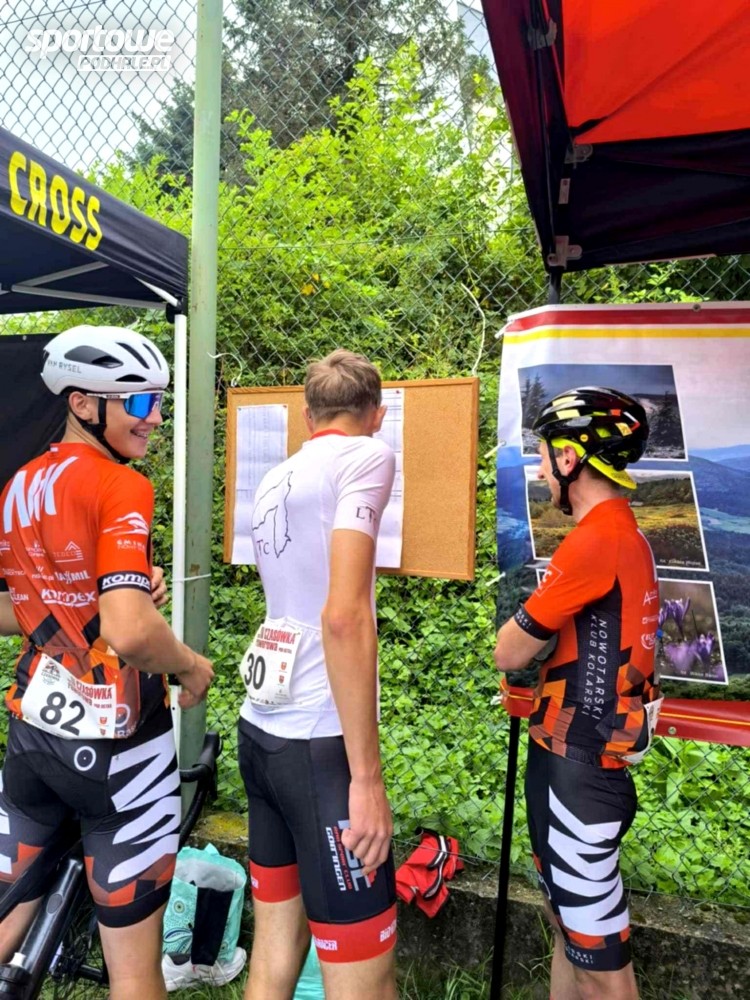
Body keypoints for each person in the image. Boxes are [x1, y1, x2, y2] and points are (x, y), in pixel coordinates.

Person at [0, 325, 213, 1000]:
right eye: (141, 403)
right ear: (84, 404)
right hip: (122, 750)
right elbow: (128, 633)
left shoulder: (19, 486)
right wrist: (189, 666)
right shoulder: (122, 485)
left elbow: (28, 607)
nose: (156, 419)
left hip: (33, 738)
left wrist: (113, 598)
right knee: (134, 974)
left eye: (159, 402)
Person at [239, 349, 398, 1000]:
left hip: (261, 729)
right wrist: (367, 779)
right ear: (377, 414)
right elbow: (343, 616)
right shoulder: (368, 456)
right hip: (319, 744)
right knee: (365, 977)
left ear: (308, 418)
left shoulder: (278, 474)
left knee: (276, 949)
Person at [494, 387, 659, 1000]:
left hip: (577, 772)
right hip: (583, 763)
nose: (540, 470)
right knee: (572, 934)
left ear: (570, 459)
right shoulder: (626, 533)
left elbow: (509, 651)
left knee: (602, 973)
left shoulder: (596, 540)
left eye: (544, 455)